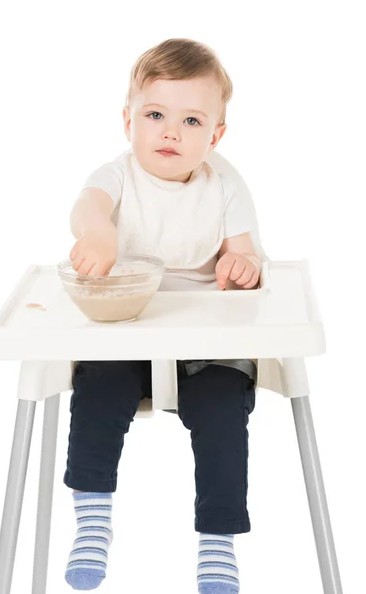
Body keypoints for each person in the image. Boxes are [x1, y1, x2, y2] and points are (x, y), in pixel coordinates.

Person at [64, 38, 261, 594]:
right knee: (97, 390)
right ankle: (92, 518)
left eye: (191, 119)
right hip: (129, 324)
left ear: (215, 135)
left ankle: (218, 542)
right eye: (155, 115)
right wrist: (98, 232)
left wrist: (240, 267)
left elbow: (241, 252)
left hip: (204, 340)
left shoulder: (224, 183)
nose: (170, 132)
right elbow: (88, 208)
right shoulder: (117, 175)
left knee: (224, 413)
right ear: (128, 120)